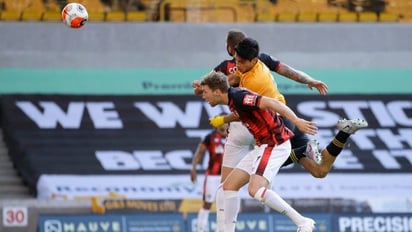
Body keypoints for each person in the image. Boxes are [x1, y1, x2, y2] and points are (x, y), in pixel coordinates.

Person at [192, 34, 367, 232]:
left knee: (256, 189)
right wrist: (310, 80)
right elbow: (284, 71)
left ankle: (303, 219)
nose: (236, 65)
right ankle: (341, 135)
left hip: (276, 136)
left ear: (252, 59)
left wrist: (224, 119)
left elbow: (267, 103)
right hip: (268, 136)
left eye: (239, 62)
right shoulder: (250, 67)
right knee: (318, 171)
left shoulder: (247, 89)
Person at [200, 70, 318, 232]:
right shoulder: (234, 100)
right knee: (227, 187)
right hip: (263, 145)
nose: (203, 96)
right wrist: (224, 120)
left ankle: (302, 221)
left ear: (217, 92)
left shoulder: (240, 98)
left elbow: (271, 103)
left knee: (255, 190)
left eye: (205, 92)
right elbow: (242, 113)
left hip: (275, 144)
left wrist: (296, 120)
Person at [190, 122, 228, 232]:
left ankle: (221, 230)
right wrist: (193, 168)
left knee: (224, 205)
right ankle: (200, 229)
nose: (225, 125)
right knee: (207, 204)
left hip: (227, 176)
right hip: (212, 176)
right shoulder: (209, 137)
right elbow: (199, 153)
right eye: (223, 122)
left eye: (227, 123)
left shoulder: (232, 136)